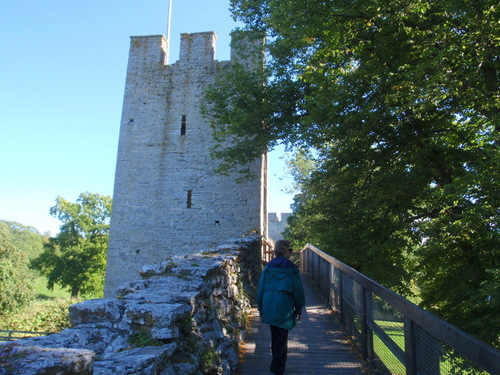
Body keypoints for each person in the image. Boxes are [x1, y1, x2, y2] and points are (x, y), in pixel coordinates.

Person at [257, 239, 306, 375]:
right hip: (284, 305)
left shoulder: (268, 267)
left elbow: (261, 289)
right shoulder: (291, 269)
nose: (290, 253)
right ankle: (278, 369)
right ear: (285, 251)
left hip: (270, 304)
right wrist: (299, 308)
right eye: (289, 250)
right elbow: (298, 290)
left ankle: (275, 365)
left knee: (275, 336)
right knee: (281, 338)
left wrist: (261, 308)